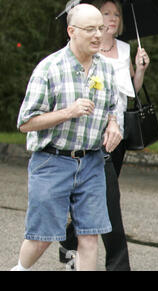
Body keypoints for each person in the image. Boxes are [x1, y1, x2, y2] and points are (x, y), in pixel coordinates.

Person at [11, 3, 122, 271]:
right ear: (71, 31)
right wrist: (67, 112)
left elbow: (111, 109)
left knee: (90, 234)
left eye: (101, 28)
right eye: (90, 29)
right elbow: (25, 123)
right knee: (42, 237)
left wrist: (113, 124)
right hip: (52, 162)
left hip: (92, 162)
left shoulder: (106, 69)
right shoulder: (49, 68)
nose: (98, 35)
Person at [58, 0, 150, 271]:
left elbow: (131, 88)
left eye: (115, 14)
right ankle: (118, 265)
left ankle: (70, 237)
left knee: (102, 196)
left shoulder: (124, 48)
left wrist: (140, 68)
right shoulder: (83, 51)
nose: (111, 18)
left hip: (117, 129)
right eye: (106, 13)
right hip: (90, 131)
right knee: (109, 200)